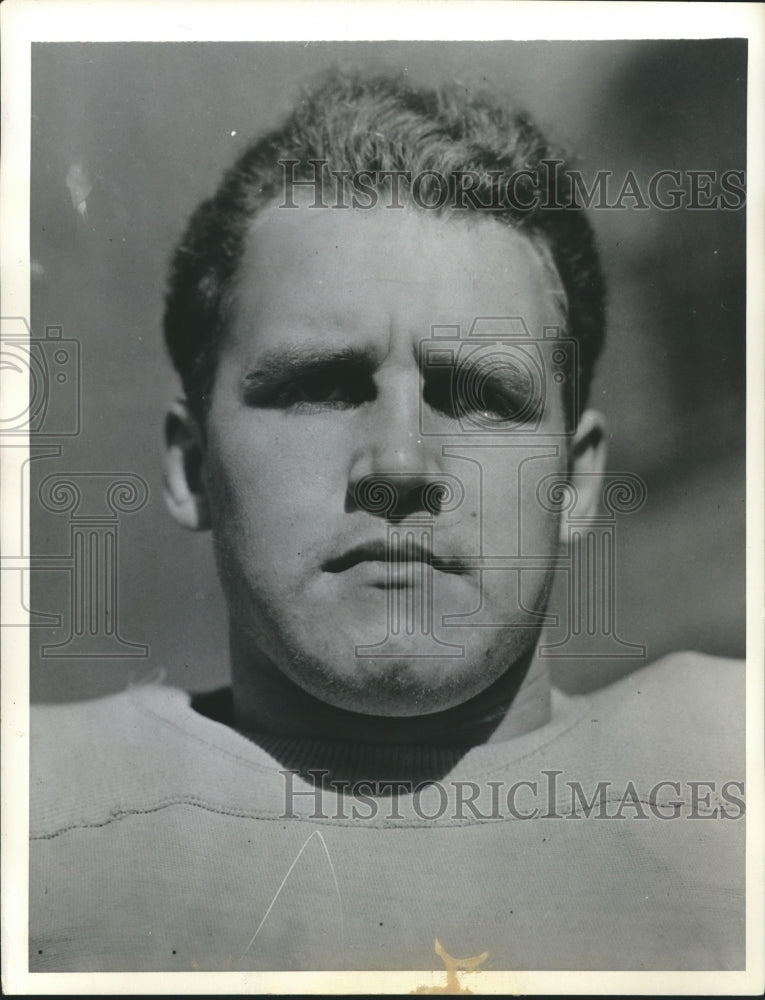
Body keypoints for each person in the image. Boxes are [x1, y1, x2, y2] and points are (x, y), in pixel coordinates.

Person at [29, 69, 744, 974]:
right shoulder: (37, 812)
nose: (400, 467)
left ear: (574, 479)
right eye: (320, 387)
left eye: (481, 396)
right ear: (189, 466)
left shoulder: (733, 775)